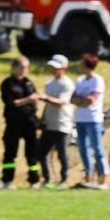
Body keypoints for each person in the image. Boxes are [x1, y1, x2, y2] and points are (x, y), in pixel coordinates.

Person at [0, 57, 41, 188]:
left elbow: (35, 98)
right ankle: (7, 180)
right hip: (14, 122)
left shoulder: (29, 83)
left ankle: (34, 181)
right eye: (21, 67)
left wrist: (35, 102)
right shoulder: (8, 84)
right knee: (10, 152)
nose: (24, 70)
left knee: (32, 153)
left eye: (26, 68)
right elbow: (11, 103)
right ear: (14, 68)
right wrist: (27, 99)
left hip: (29, 121)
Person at [35, 53, 74, 189]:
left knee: (61, 154)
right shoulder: (49, 84)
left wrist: (45, 98)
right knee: (41, 153)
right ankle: (46, 179)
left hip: (62, 124)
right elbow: (48, 105)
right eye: (52, 67)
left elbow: (61, 103)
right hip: (49, 124)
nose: (53, 70)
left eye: (56, 67)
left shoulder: (67, 84)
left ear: (64, 68)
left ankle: (64, 180)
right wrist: (42, 119)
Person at [71, 52, 108, 189]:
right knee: (83, 149)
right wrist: (81, 100)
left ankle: (103, 178)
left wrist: (80, 100)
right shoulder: (79, 80)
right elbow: (72, 99)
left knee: (97, 149)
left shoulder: (97, 80)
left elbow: (91, 100)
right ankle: (88, 176)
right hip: (80, 118)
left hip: (93, 119)